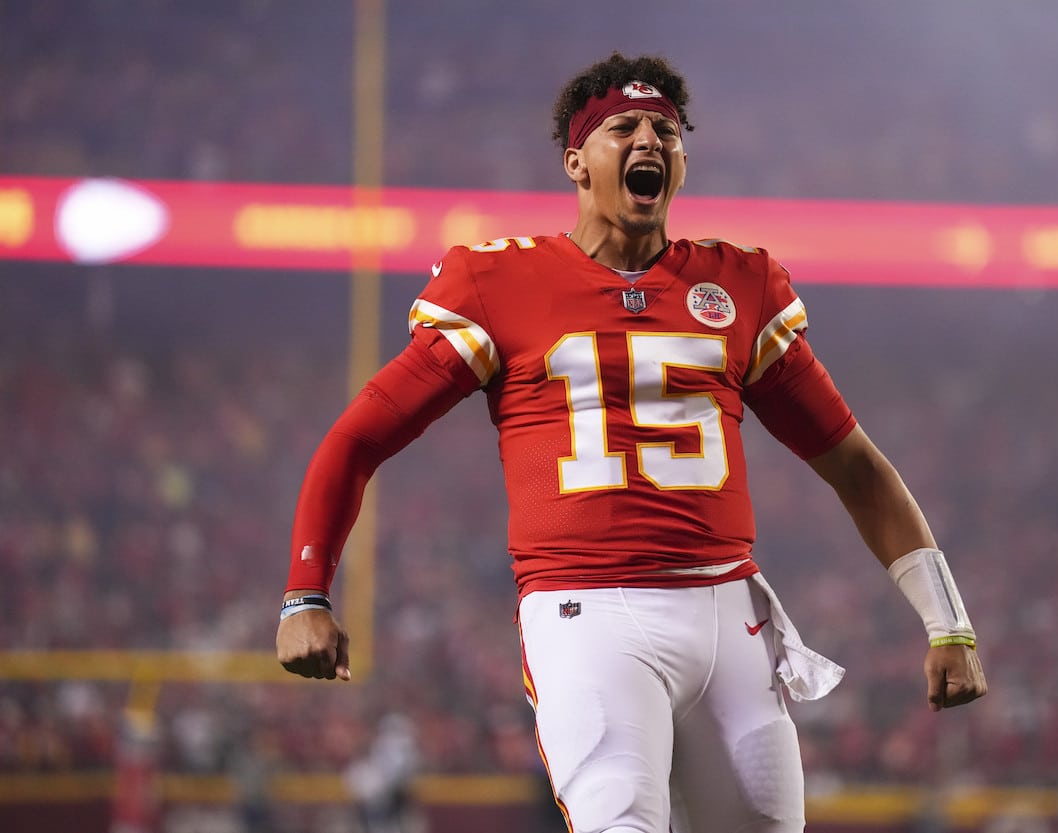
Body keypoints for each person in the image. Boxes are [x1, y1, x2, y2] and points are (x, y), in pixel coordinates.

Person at [276, 52, 987, 833]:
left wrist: (946, 619)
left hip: (730, 612)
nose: (650, 139)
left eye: (666, 130)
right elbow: (357, 439)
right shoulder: (498, 283)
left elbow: (856, 466)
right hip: (588, 611)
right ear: (577, 161)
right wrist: (306, 592)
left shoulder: (738, 285)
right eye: (625, 127)